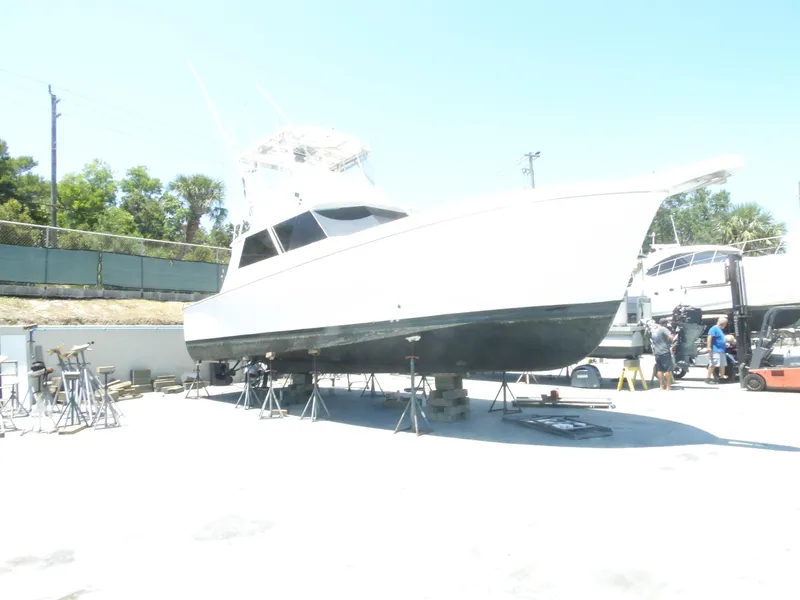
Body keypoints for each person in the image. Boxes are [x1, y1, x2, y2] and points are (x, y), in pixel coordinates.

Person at [651, 319, 674, 390]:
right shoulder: (663, 329)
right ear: (664, 324)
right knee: (667, 370)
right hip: (664, 352)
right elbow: (671, 337)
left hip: (657, 352)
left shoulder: (654, 330)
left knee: (659, 370)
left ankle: (661, 386)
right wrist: (673, 340)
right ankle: (668, 386)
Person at [706, 317, 729, 384]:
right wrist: (709, 347)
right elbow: (709, 338)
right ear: (723, 324)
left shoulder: (720, 329)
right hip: (715, 350)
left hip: (721, 350)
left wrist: (725, 344)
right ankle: (708, 378)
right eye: (725, 324)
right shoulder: (714, 328)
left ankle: (722, 378)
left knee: (722, 364)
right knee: (713, 364)